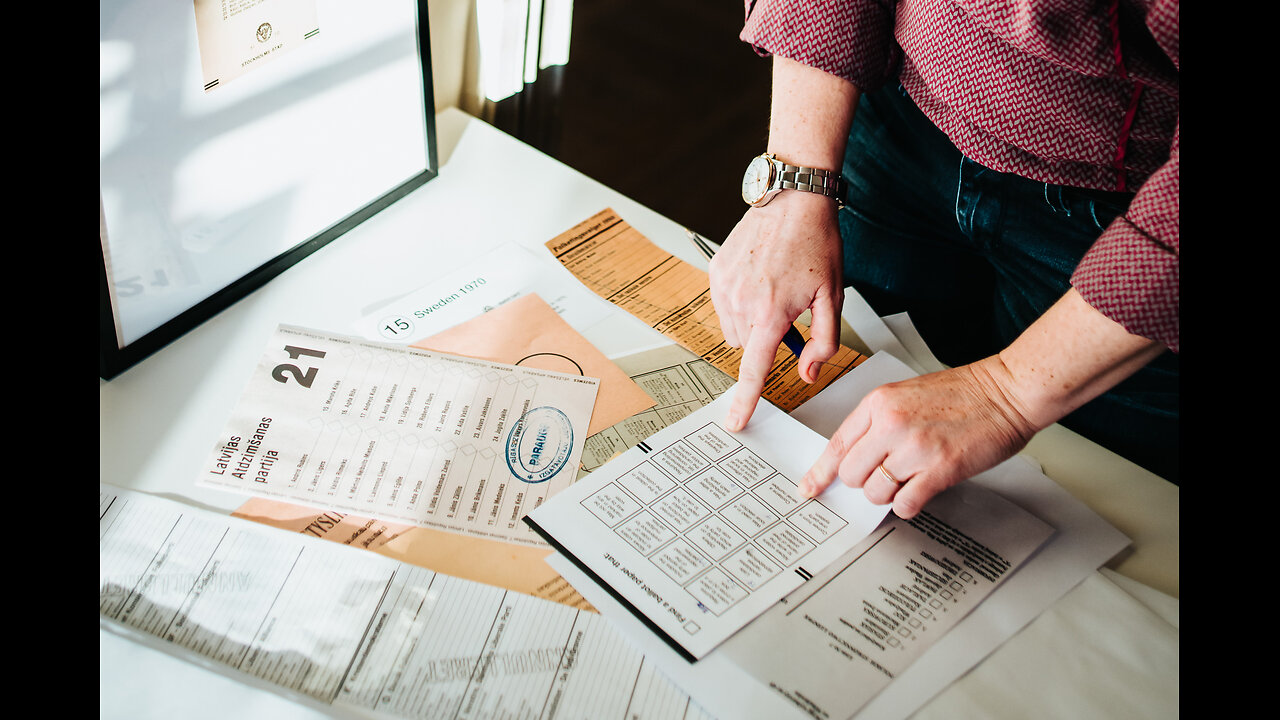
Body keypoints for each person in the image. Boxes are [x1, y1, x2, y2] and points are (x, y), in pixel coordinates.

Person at [709, 0, 1179, 520]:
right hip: (892, 114)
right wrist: (798, 178)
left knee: (1101, 511)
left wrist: (1007, 396)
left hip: (1132, 221)